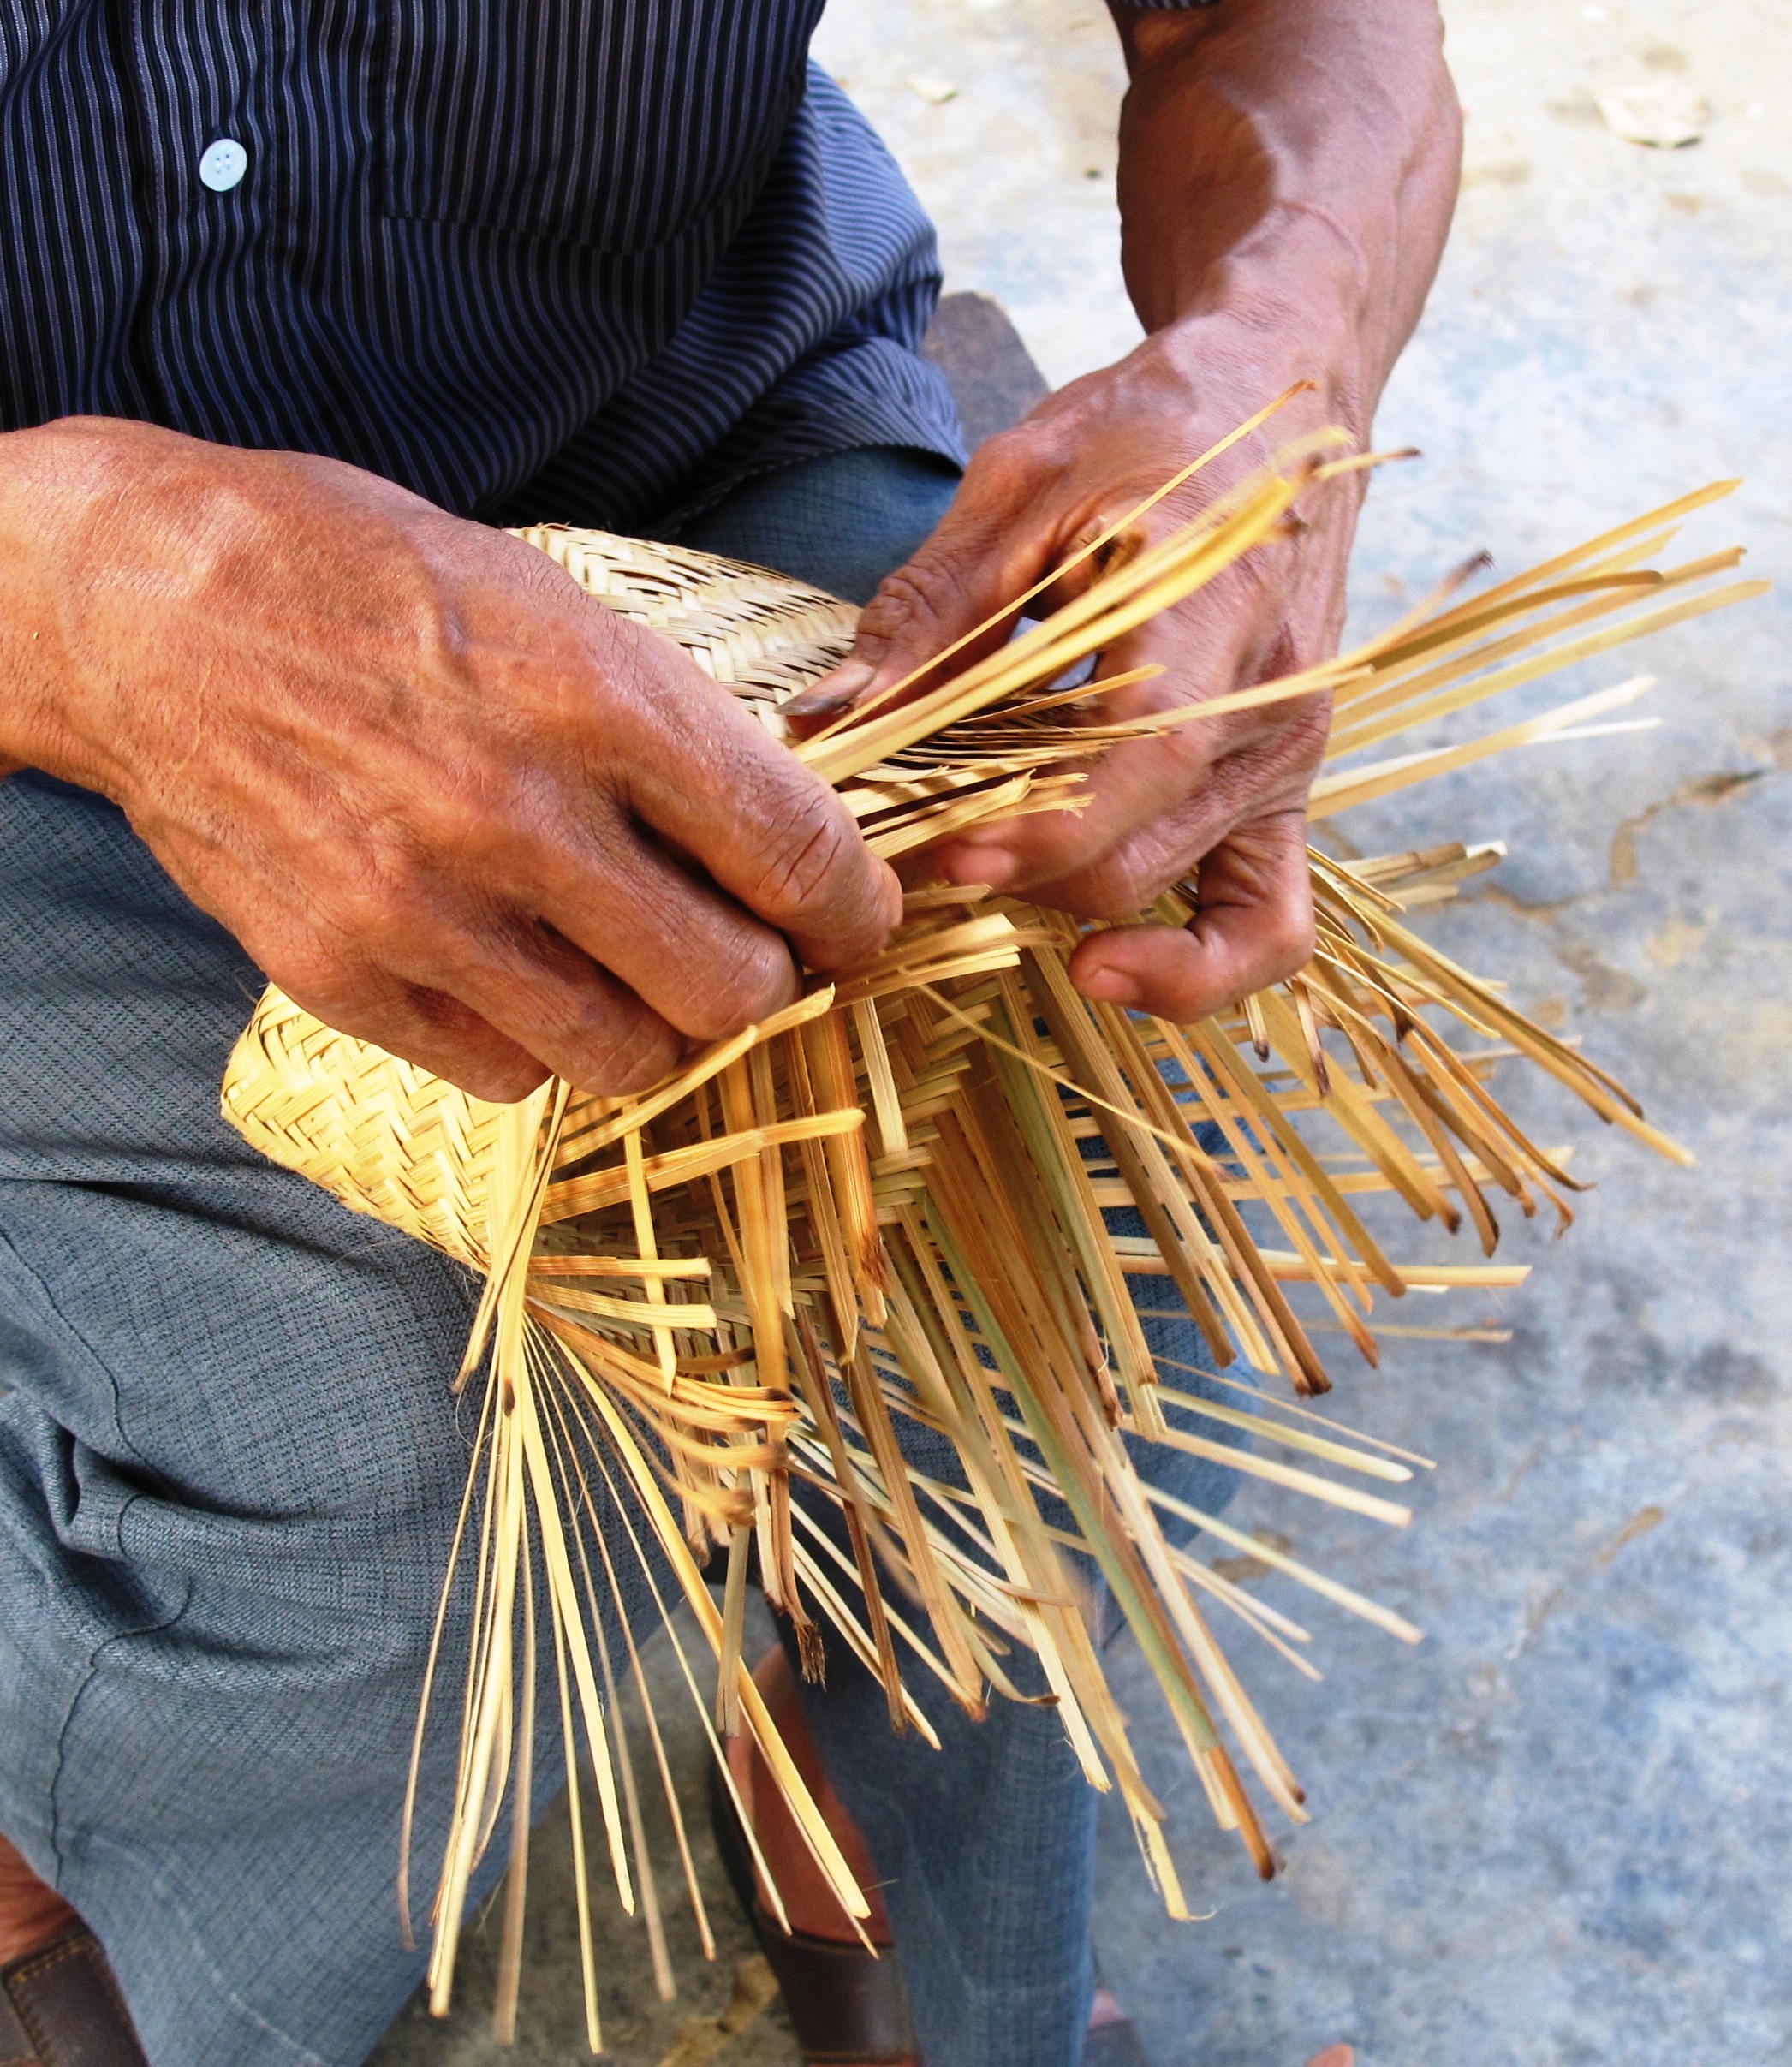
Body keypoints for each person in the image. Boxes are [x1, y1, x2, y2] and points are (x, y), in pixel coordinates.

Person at [0, 2, 1460, 2063]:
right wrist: (72, 593)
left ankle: (883, 1822)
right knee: (372, 1449)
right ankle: (96, 1876)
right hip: (28, 618)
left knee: (1062, 1158)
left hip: (670, 397)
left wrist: (1286, 350)